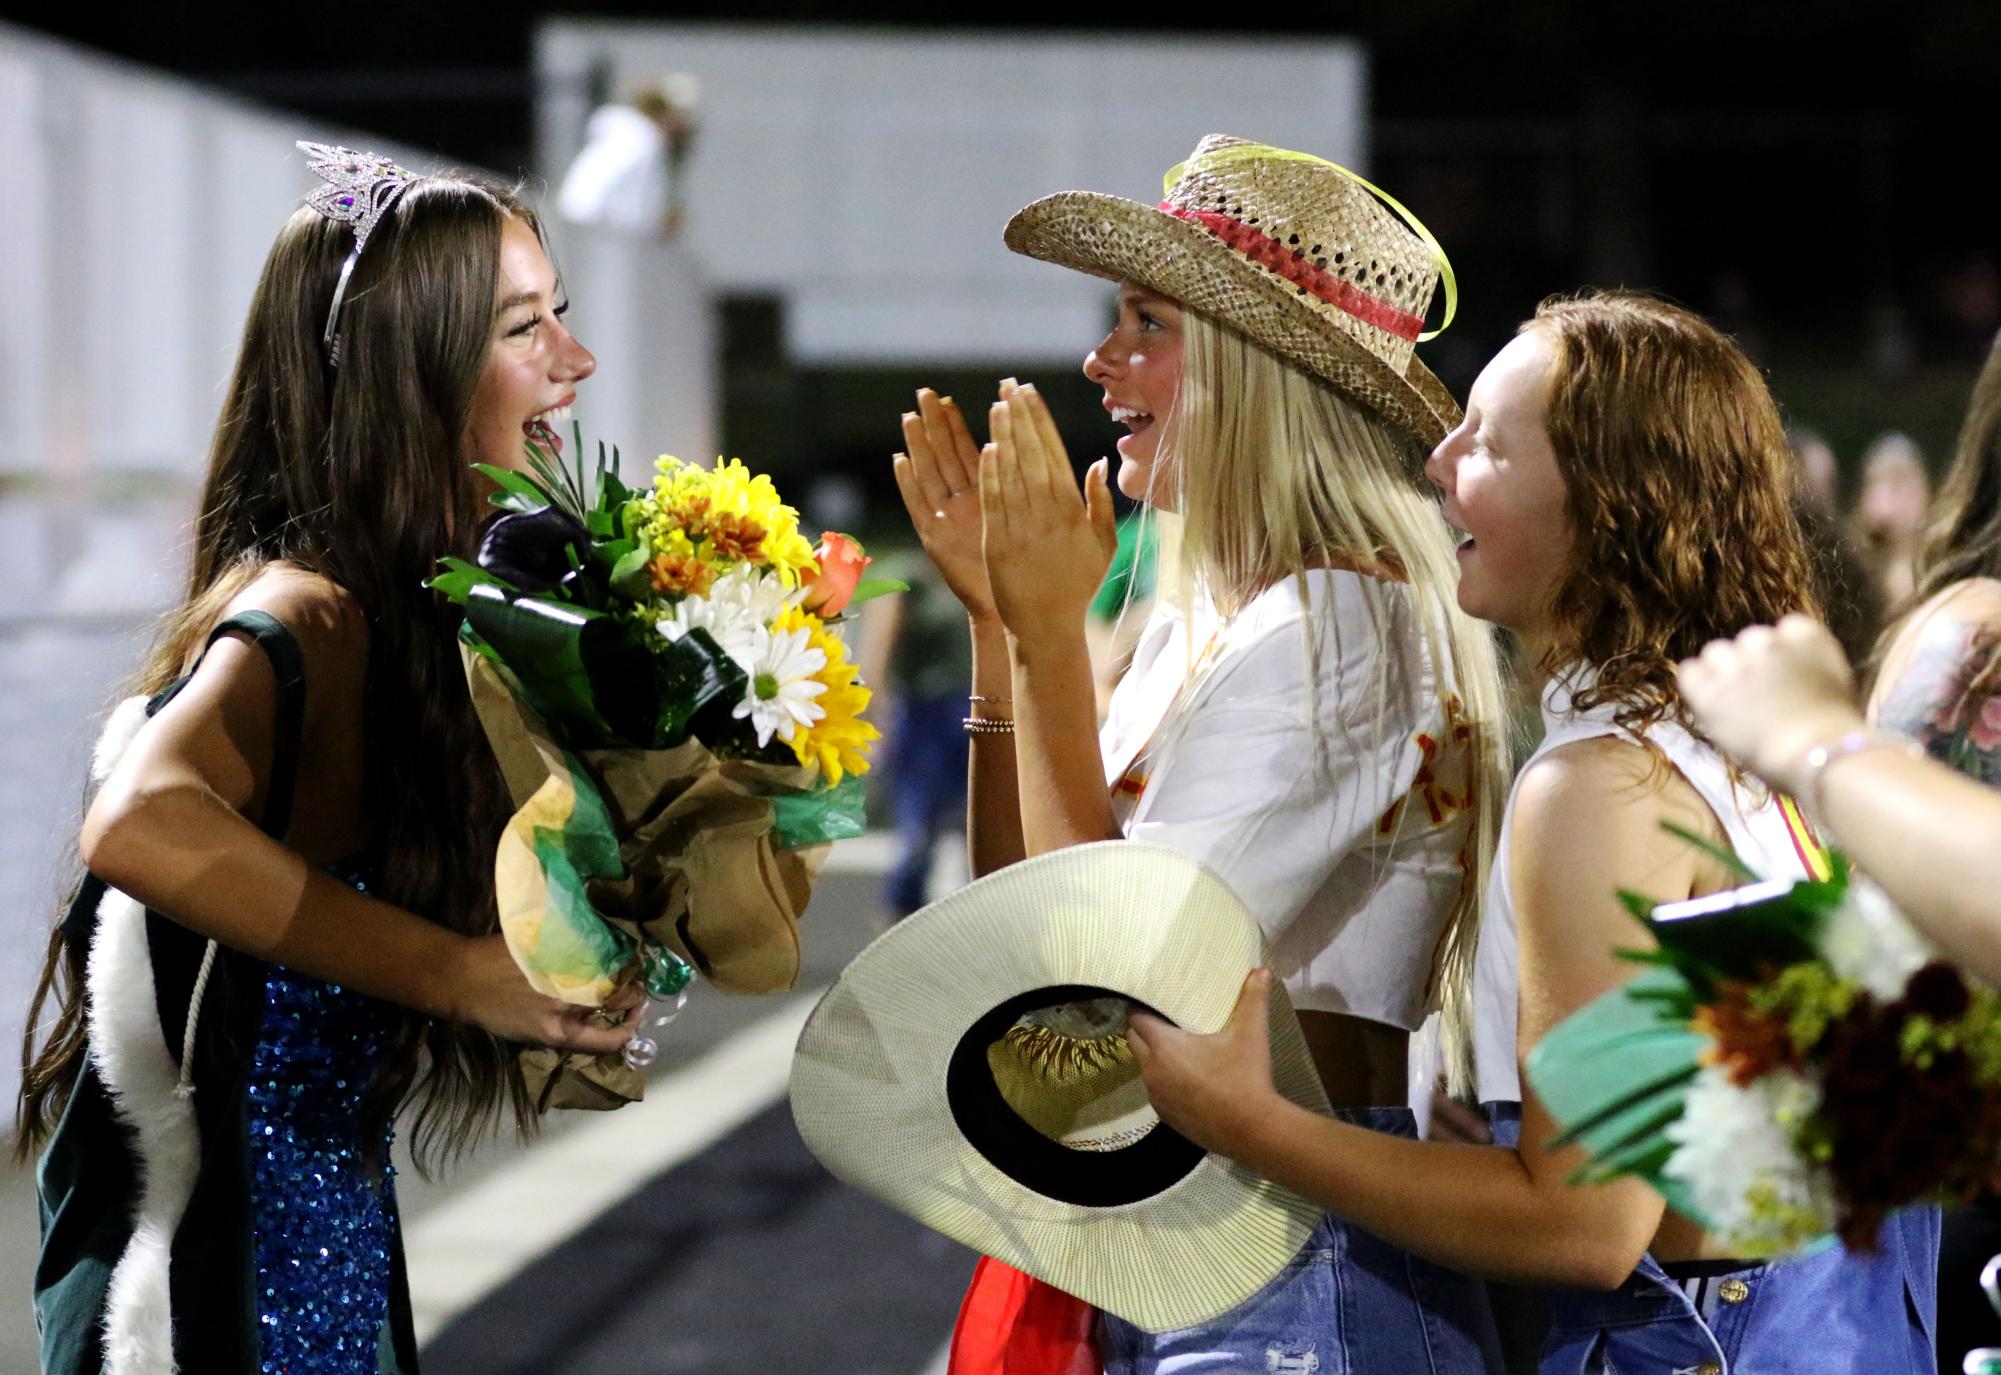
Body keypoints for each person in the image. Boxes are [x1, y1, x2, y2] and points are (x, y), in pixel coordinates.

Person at [1125, 292, 1939, 1374]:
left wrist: (1250, 1123)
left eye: (1488, 444)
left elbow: (1586, 1227)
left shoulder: (1600, 784)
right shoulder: (1739, 734)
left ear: (1607, 502)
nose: (1437, 464)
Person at [894, 135, 1511, 1372]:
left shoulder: (1344, 619)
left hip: (1293, 1249)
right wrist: (997, 630)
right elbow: (1011, 932)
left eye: (1150, 325)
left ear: (1256, 374)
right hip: (1209, 1232)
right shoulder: (1223, 608)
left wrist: (1052, 643)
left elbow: (1098, 975)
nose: (1101, 361)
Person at [17, 143, 636, 1374]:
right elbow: (141, 822)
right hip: (207, 1290)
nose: (575, 360)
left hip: (325, 1244)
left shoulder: (412, 608)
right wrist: (460, 972)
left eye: (560, 313)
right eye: (526, 327)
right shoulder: (305, 612)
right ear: (419, 371)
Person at [555, 76, 700, 238]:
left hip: (617, 238)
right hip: (609, 239)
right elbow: (585, 195)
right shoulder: (637, 141)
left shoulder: (643, 142)